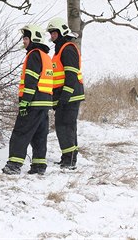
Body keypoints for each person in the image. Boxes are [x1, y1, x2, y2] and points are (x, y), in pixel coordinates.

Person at [2, 24, 53, 175]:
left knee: (20, 132)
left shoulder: (34, 54)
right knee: (39, 136)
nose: (23, 41)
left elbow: (31, 80)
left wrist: (25, 102)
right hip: (44, 103)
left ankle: (14, 165)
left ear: (34, 38)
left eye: (25, 38)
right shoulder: (46, 56)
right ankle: (38, 167)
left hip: (33, 102)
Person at [47, 17, 84, 170]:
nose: (52, 36)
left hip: (70, 96)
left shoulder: (68, 49)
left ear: (61, 32)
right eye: (51, 33)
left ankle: (69, 161)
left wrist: (64, 97)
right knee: (65, 126)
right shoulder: (61, 49)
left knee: (65, 126)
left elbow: (71, 75)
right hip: (65, 96)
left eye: (54, 33)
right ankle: (68, 158)